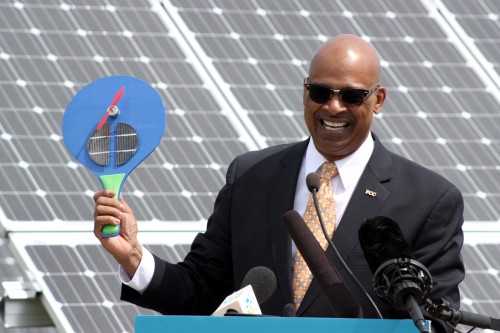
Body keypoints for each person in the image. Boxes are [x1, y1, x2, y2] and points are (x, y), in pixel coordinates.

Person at [93, 34, 464, 332]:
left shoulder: (429, 200)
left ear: (378, 100)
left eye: (351, 96)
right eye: (321, 92)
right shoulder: (251, 176)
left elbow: (434, 321)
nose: (333, 107)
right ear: (305, 93)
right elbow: (202, 289)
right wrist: (135, 259)